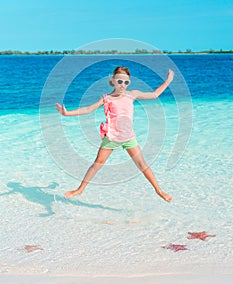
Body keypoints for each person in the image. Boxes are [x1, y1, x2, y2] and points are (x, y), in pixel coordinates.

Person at [56, 66, 174, 203]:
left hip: (128, 137)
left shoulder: (132, 94)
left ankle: (159, 190)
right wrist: (67, 113)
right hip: (112, 137)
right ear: (113, 81)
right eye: (119, 81)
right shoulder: (107, 98)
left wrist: (169, 79)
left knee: (142, 164)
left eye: (126, 82)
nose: (122, 85)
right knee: (97, 163)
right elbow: (89, 109)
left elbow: (154, 94)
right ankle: (80, 189)